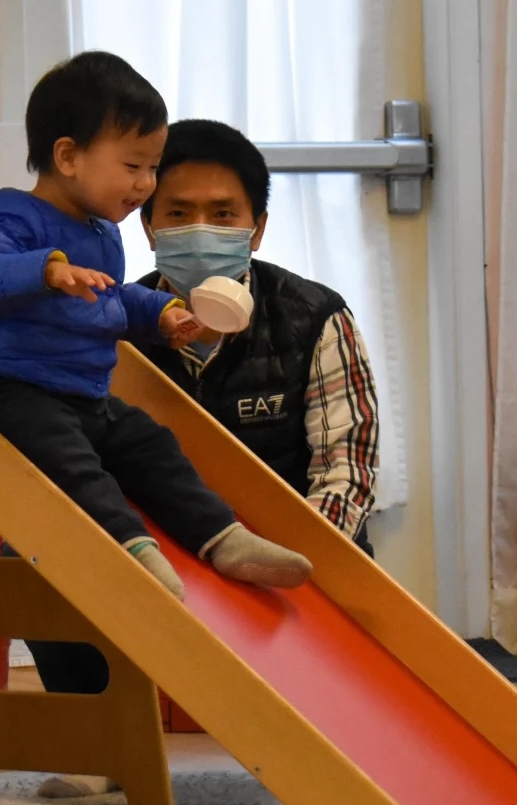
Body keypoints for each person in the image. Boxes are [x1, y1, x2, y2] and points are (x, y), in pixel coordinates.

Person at [0, 54, 312, 800]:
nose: (146, 186)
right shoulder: (13, 215)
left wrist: (164, 315)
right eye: (136, 166)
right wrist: (45, 269)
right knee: (69, 462)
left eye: (151, 167)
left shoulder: (104, 234)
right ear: (67, 155)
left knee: (148, 442)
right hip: (10, 390)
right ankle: (133, 548)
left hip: (81, 391)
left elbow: (116, 303)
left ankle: (223, 537)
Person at [135, 119, 379, 558]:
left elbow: (347, 474)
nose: (200, 228)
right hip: (169, 571)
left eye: (223, 214)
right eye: (178, 213)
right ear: (149, 227)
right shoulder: (118, 327)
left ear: (257, 229)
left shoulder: (316, 317)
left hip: (299, 564)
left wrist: (291, 566)